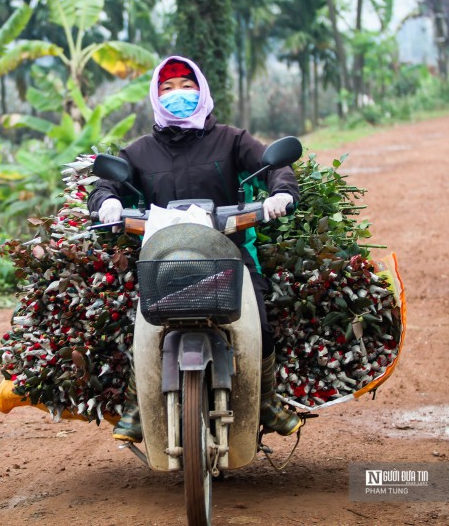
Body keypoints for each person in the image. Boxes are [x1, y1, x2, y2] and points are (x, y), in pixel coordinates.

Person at [88, 55, 303, 442]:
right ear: (155, 96)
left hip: (228, 256)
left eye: (185, 85)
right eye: (167, 88)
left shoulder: (232, 139)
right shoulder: (138, 153)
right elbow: (106, 186)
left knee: (260, 326)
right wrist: (107, 202)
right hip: (163, 260)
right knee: (141, 328)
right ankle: (140, 404)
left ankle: (266, 399)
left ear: (201, 89)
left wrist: (281, 193)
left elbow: (273, 166)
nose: (177, 95)